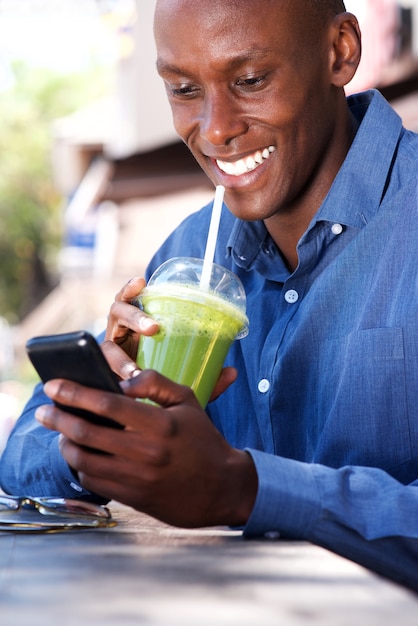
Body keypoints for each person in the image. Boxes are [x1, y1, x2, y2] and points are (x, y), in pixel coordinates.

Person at [2, 0, 418, 591]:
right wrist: (105, 420)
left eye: (250, 81)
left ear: (340, 51)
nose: (216, 128)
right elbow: (20, 457)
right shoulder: (191, 251)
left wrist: (242, 488)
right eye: (183, 89)